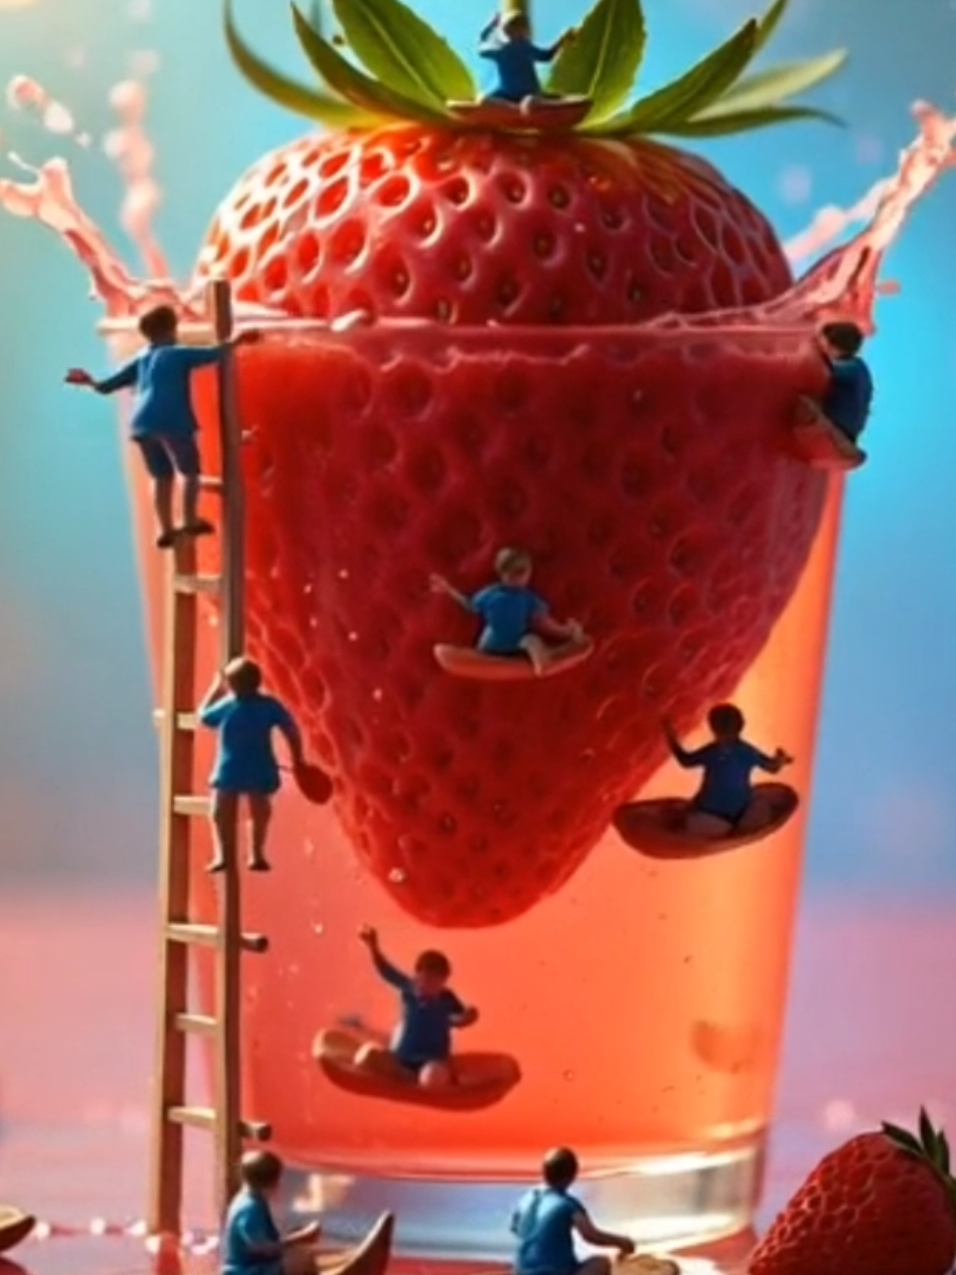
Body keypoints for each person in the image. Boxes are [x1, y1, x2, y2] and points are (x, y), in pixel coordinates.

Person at [65, 303, 259, 548]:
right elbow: (214, 354)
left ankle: (165, 530)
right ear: (170, 330)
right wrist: (238, 340)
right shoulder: (177, 353)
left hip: (141, 425)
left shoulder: (142, 358)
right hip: (172, 420)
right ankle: (189, 520)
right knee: (189, 472)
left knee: (162, 477)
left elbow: (106, 387)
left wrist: (89, 381)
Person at [198, 656, 305, 873]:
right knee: (227, 811)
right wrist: (297, 758)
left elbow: (204, 716)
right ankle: (227, 853)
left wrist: (216, 689)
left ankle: (252, 853)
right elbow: (291, 730)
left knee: (252, 811)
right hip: (239, 766)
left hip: (244, 765)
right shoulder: (239, 705)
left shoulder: (262, 706)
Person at [355, 926, 480, 1090]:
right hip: (402, 1059)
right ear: (417, 975)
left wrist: (470, 1016)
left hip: (432, 1061)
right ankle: (405, 1076)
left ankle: (429, 1079)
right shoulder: (410, 989)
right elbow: (387, 971)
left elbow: (461, 1019)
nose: (429, 985)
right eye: (426, 978)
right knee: (367, 1056)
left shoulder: (447, 999)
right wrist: (373, 947)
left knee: (432, 1076)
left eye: (436, 980)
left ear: (443, 981)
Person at [430, 547, 587, 675]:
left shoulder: (527, 598)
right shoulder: (491, 594)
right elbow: (470, 605)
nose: (518, 578)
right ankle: (545, 657)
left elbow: (543, 622)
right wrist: (448, 589)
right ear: (501, 573)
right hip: (491, 643)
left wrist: (567, 632)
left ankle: (543, 664)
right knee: (529, 639)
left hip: (516, 642)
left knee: (532, 640)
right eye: (513, 573)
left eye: (522, 572)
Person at [662, 704, 794, 839]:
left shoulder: (713, 752)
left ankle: (684, 823)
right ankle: (735, 822)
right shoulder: (747, 751)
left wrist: (670, 736)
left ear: (714, 730)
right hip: (741, 814)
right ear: (741, 726)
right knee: (757, 802)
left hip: (711, 815)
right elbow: (772, 768)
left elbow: (685, 761)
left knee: (680, 821)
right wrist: (780, 759)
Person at [511, 1147, 635, 1275]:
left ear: (544, 1172)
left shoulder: (526, 1198)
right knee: (601, 1263)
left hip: (521, 1271)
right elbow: (590, 1235)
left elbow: (516, 1229)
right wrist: (622, 1242)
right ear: (572, 1175)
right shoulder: (567, 1204)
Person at [221, 1150, 321, 1275]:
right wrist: (300, 1238)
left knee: (302, 1254)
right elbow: (262, 1248)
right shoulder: (249, 1208)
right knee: (301, 1260)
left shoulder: (251, 1200)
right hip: (247, 1270)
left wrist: (298, 1236)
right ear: (271, 1182)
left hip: (256, 1266)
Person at [797, 320, 873, 455]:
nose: (819, 345)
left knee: (803, 403)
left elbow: (822, 370)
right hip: (849, 430)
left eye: (822, 342)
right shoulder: (859, 367)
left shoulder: (850, 368)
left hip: (841, 428)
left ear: (834, 346)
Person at [478, 12, 576, 107]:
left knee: (530, 101)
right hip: (507, 95)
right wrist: (491, 25)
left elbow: (546, 56)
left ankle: (525, 105)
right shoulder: (503, 50)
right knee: (483, 100)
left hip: (528, 94)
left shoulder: (524, 48)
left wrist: (562, 40)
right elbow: (481, 50)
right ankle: (514, 108)